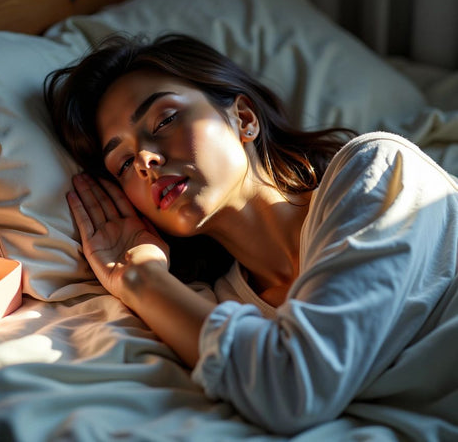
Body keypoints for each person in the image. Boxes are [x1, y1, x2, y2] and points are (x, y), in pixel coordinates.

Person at [44, 33, 458, 437]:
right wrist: (135, 273)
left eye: (165, 119)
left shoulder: (379, 171)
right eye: (122, 162)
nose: (146, 161)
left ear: (243, 118)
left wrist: (142, 281)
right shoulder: (215, 305)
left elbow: (295, 389)